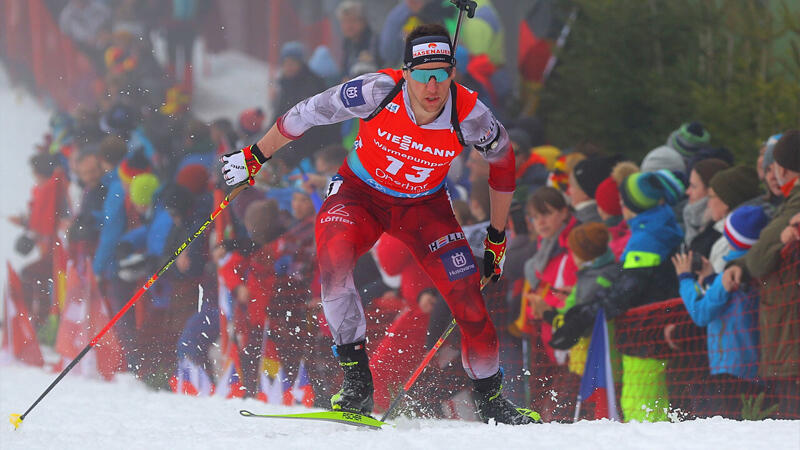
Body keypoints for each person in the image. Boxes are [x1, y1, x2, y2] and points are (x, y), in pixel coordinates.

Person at [221, 24, 538, 424]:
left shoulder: (471, 113)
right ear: (406, 73)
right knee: (334, 263)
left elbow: (503, 164)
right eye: (423, 75)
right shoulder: (377, 90)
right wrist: (255, 155)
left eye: (442, 74)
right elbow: (307, 113)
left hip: (424, 209)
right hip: (359, 196)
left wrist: (496, 236)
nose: (433, 86)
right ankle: (356, 379)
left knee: (470, 302)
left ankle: (492, 400)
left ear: (453, 74)